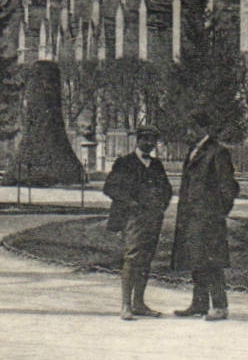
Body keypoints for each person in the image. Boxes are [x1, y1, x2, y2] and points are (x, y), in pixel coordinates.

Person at [102, 125, 173, 320]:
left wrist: (161, 206)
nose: (149, 143)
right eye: (145, 139)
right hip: (132, 218)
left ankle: (139, 303)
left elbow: (167, 189)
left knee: (146, 258)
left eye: (153, 140)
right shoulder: (124, 163)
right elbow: (110, 188)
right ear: (138, 140)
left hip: (153, 218)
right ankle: (126, 305)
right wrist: (131, 203)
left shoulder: (157, 165)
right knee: (132, 257)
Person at [170, 127, 240, 320]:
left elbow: (228, 187)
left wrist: (218, 212)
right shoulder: (193, 151)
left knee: (212, 262)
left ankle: (220, 306)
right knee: (196, 259)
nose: (188, 132)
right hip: (191, 217)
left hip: (209, 218)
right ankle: (199, 304)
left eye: (191, 128)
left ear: (202, 128)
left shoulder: (217, 152)